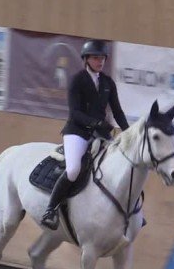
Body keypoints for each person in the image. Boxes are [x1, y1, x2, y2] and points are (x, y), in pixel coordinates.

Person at [41, 39, 129, 230]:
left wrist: (128, 133)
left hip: (100, 134)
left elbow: (117, 111)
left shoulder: (108, 83)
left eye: (102, 58)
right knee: (73, 170)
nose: (100, 62)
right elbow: (75, 113)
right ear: (86, 59)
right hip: (77, 132)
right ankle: (50, 210)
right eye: (96, 58)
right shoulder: (77, 80)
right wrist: (96, 123)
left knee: (119, 163)